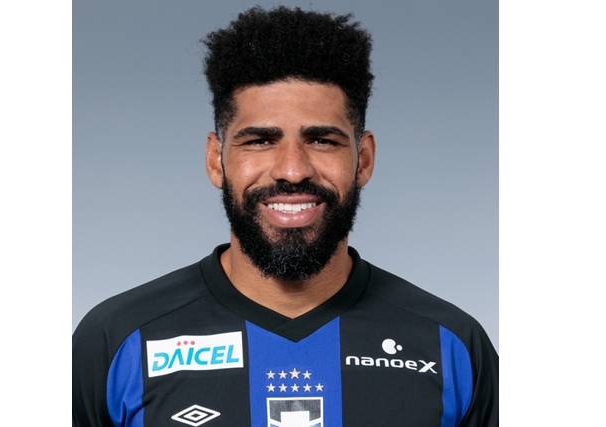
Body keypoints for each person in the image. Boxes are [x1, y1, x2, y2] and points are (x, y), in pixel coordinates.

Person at [73, 6, 498, 427]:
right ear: (216, 160)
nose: (292, 170)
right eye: (259, 141)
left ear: (364, 160)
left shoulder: (451, 346)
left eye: (322, 140)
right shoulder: (117, 340)